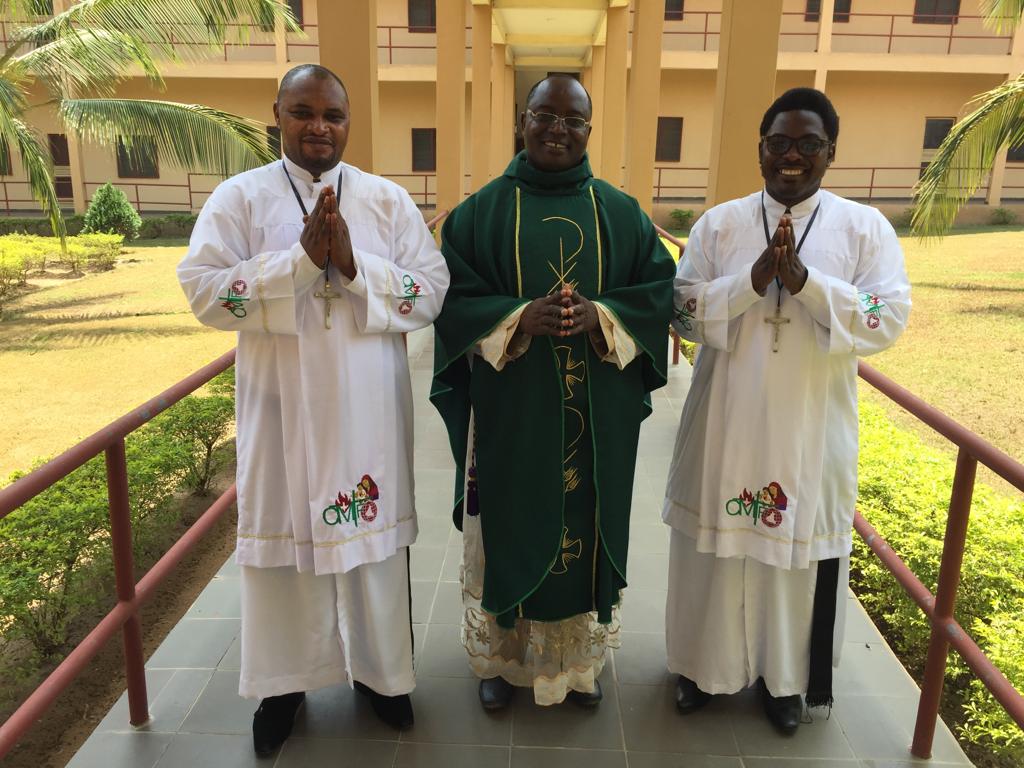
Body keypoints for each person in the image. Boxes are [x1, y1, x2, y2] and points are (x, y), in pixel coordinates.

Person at [177, 64, 449, 755]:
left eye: (332, 114)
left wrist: (358, 267)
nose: (318, 127)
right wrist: (296, 265)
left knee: (373, 549)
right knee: (284, 554)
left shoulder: (385, 202)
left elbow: (432, 290)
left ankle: (383, 678)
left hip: (368, 415)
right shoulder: (239, 200)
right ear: (278, 115)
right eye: (303, 112)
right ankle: (282, 686)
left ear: (349, 120)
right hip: (281, 410)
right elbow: (204, 293)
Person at [662, 87, 911, 733]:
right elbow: (680, 309)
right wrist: (748, 284)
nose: (791, 156)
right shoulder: (719, 224)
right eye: (779, 142)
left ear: (831, 152)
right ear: (761, 148)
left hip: (810, 425)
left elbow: (889, 318)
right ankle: (699, 669)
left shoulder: (865, 229)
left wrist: (808, 283)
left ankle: (786, 683)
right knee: (713, 554)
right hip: (726, 418)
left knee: (794, 560)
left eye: (807, 144)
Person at [431, 74, 675, 710]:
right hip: (511, 414)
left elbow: (656, 295)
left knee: (582, 522)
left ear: (590, 130)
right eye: (545, 115)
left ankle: (573, 667)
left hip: (593, 417)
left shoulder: (620, 213)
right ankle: (503, 660)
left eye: (574, 120)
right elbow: (450, 298)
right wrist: (515, 319)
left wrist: (604, 317)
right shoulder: (479, 212)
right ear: (524, 120)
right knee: (509, 519)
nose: (558, 130)